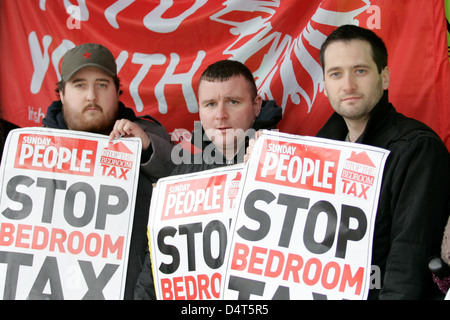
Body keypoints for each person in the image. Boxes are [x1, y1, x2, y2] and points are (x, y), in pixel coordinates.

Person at [316, 25, 450, 299]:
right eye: (336, 74)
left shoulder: (417, 148)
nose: (348, 85)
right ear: (325, 84)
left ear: (384, 77)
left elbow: (408, 264)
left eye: (360, 71)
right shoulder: (318, 149)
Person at [134, 59, 282, 299]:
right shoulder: (180, 177)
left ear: (256, 106)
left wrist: (268, 174)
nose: (220, 116)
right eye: (210, 104)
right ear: (200, 110)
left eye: (233, 102)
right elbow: (156, 269)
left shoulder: (285, 171)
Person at [41, 43, 173, 299]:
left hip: (127, 288)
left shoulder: (147, 135)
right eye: (80, 85)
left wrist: (145, 148)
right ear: (61, 93)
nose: (91, 95)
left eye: (102, 84)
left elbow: (181, 181)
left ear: (117, 92)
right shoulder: (32, 148)